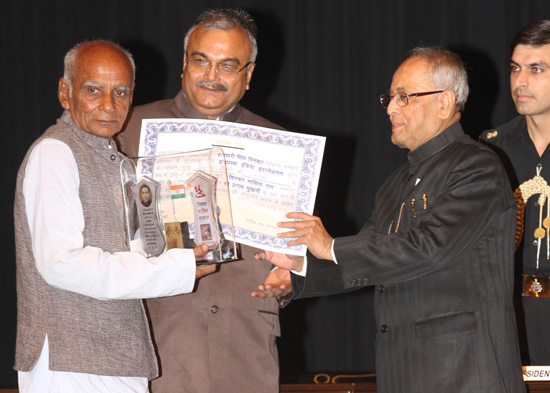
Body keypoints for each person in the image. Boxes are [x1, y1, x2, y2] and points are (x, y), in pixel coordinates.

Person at [253, 47, 526, 393]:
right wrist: (300, 271)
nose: (391, 108)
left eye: (404, 97)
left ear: (445, 102)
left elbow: (428, 248)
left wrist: (329, 245)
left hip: (463, 372)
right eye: (390, 97)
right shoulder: (393, 185)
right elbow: (372, 257)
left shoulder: (477, 166)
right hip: (401, 370)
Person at [14, 40, 216, 393]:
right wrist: (175, 268)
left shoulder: (117, 161)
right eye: (93, 90)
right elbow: (62, 263)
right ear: (65, 92)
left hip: (112, 356)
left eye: (121, 92)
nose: (108, 105)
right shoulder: (55, 152)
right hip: (71, 361)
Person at [116, 9, 284, 393]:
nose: (212, 76)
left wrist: (292, 275)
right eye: (201, 61)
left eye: (228, 65)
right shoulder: (130, 131)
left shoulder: (279, 145)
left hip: (246, 348)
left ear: (249, 75)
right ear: (184, 65)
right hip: (159, 340)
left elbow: (295, 247)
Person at [480, 19, 550, 365]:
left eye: (536, 69)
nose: (520, 82)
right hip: (507, 312)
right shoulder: (488, 151)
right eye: (515, 69)